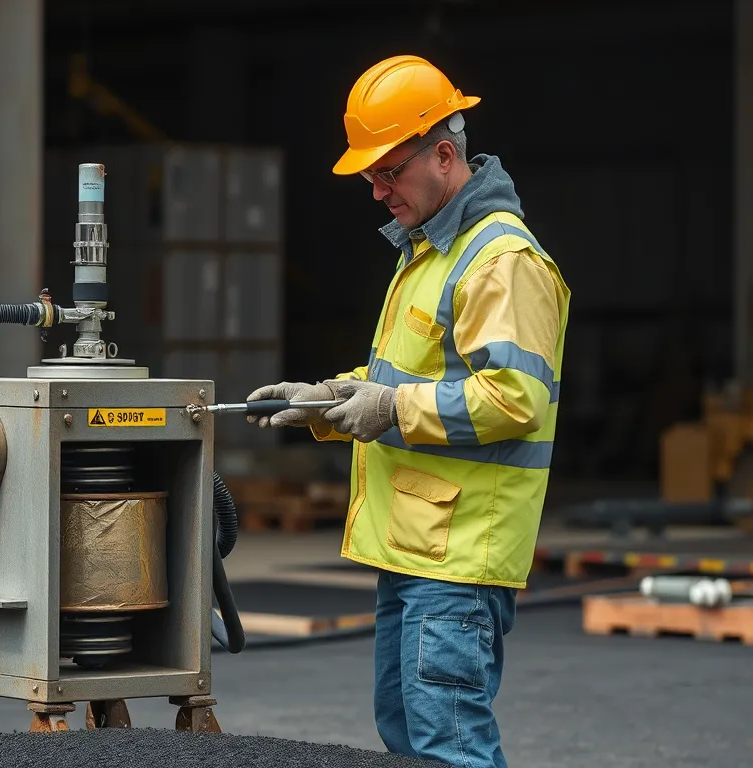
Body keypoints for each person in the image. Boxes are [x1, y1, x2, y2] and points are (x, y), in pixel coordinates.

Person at [247, 55, 571, 768]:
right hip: (418, 548)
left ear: (445, 155)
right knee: (411, 741)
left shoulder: (499, 262)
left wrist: (390, 407)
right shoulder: (428, 253)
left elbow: (513, 397)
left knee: (446, 748)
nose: (376, 191)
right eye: (370, 176)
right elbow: (410, 375)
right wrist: (330, 400)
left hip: (457, 556)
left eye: (387, 172)